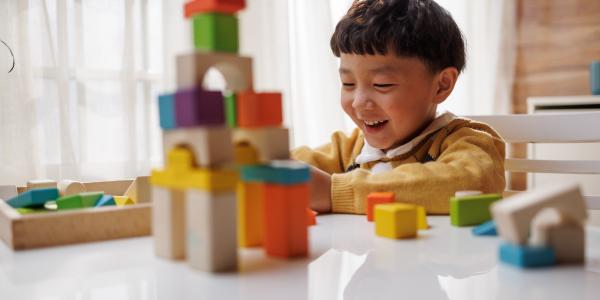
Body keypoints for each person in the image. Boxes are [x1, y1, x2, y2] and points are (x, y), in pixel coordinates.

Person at [292, 0, 506, 214]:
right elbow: (284, 168)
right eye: (348, 84)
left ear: (441, 85)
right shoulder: (349, 149)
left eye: (381, 84)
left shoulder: (468, 141)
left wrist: (334, 192)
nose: (358, 102)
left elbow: (473, 183)